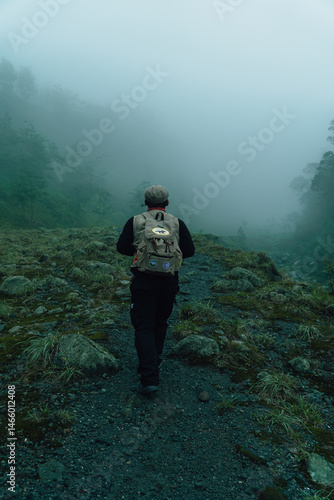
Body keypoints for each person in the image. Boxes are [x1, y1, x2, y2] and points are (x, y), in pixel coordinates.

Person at [116, 184, 195, 394]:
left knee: (143, 327)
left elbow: (121, 247)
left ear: (145, 202)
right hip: (169, 282)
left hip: (143, 281)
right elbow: (189, 250)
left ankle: (149, 378)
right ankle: (155, 362)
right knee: (160, 323)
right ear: (167, 203)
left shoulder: (135, 221)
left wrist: (144, 250)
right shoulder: (177, 223)